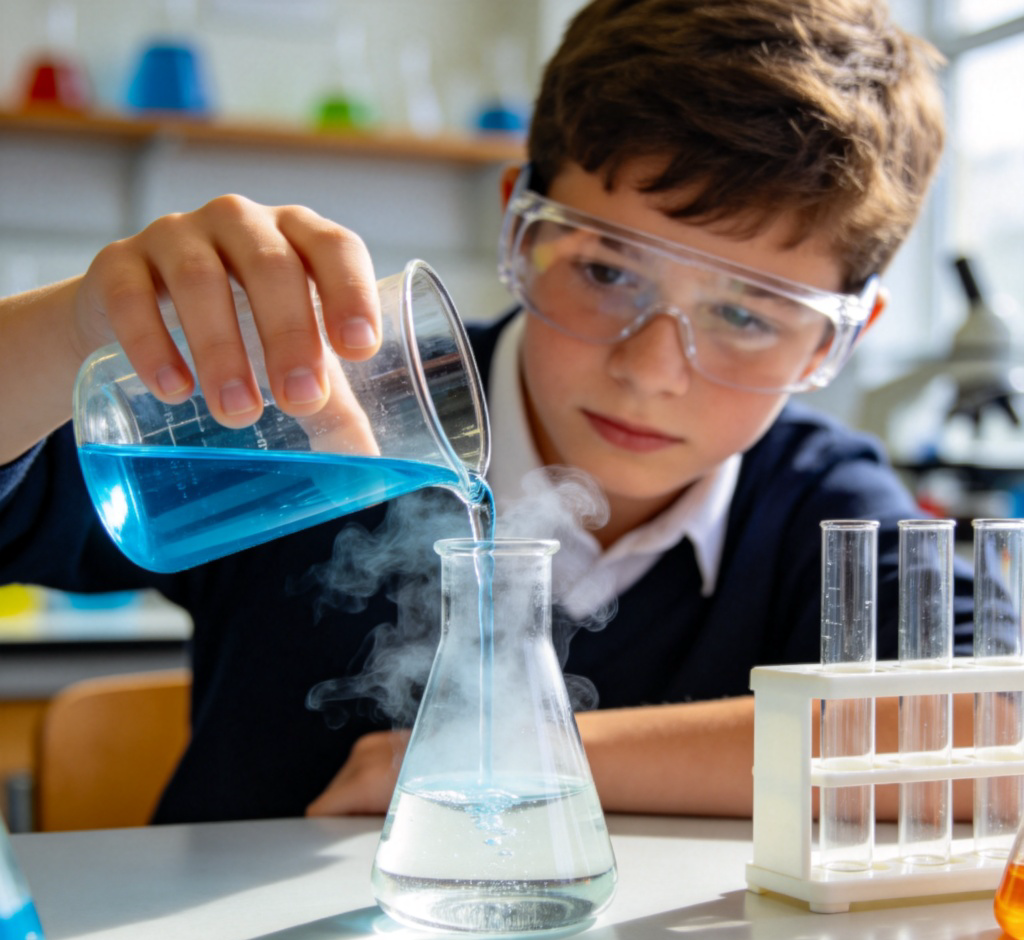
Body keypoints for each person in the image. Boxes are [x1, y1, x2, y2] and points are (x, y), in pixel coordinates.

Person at [0, 0, 973, 824]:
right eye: (602, 269)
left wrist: (512, 758)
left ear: (833, 341)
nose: (650, 370)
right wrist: (75, 325)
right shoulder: (329, 402)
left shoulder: (817, 500)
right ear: (517, 225)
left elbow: (987, 728)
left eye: (746, 315)